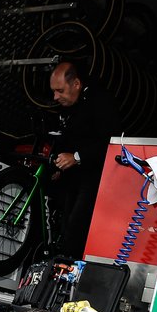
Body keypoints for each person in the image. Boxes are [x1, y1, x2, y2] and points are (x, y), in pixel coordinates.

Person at [47, 60, 120, 260]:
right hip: (73, 178)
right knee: (65, 225)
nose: (55, 96)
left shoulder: (100, 101)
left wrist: (77, 157)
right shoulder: (68, 106)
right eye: (54, 91)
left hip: (96, 177)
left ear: (76, 84)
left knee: (76, 228)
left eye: (60, 90)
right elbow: (67, 135)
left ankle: (69, 274)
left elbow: (110, 141)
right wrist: (59, 164)